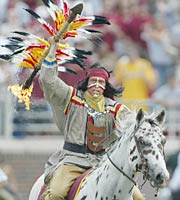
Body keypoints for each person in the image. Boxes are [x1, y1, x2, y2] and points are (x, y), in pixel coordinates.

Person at [39, 37, 144, 200]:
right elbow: (49, 81)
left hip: (105, 163)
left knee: (138, 198)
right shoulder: (72, 97)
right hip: (72, 160)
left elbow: (133, 123)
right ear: (87, 82)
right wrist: (52, 49)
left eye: (101, 82)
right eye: (93, 80)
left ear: (105, 86)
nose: (96, 85)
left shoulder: (115, 108)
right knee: (55, 194)